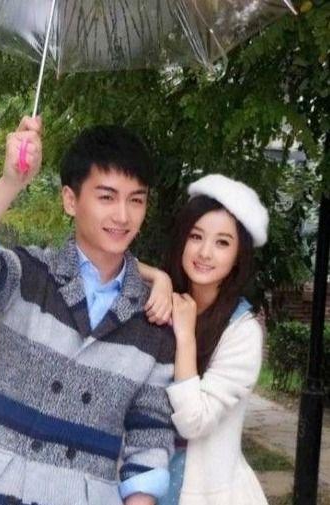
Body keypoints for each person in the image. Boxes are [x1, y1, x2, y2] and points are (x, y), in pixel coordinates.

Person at [0, 116, 176, 505]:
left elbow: (149, 439)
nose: (123, 216)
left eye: (136, 200)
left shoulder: (153, 318)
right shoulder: (30, 276)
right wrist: (9, 183)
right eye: (107, 197)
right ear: (70, 200)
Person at [139, 174, 270, 505]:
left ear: (238, 255)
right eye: (196, 236)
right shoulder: (160, 300)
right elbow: (109, 264)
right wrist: (159, 276)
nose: (205, 252)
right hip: (141, 482)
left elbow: (194, 422)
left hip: (207, 494)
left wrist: (185, 337)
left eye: (222, 243)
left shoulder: (242, 332)